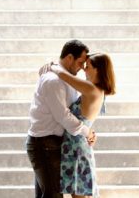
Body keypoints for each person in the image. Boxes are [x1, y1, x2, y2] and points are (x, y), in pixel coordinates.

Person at [26, 39, 96, 198]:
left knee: (48, 194)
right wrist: (86, 131)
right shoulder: (54, 81)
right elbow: (63, 116)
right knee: (52, 194)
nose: (81, 68)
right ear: (69, 57)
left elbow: (74, 112)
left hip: (51, 143)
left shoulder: (65, 79)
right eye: (80, 62)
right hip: (44, 144)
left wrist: (88, 130)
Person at [43, 53, 116, 198]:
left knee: (79, 194)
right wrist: (89, 131)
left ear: (98, 70)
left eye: (87, 67)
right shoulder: (97, 90)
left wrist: (52, 66)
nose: (84, 69)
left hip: (76, 149)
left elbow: (65, 76)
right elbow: (85, 117)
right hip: (77, 145)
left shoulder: (91, 89)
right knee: (80, 194)